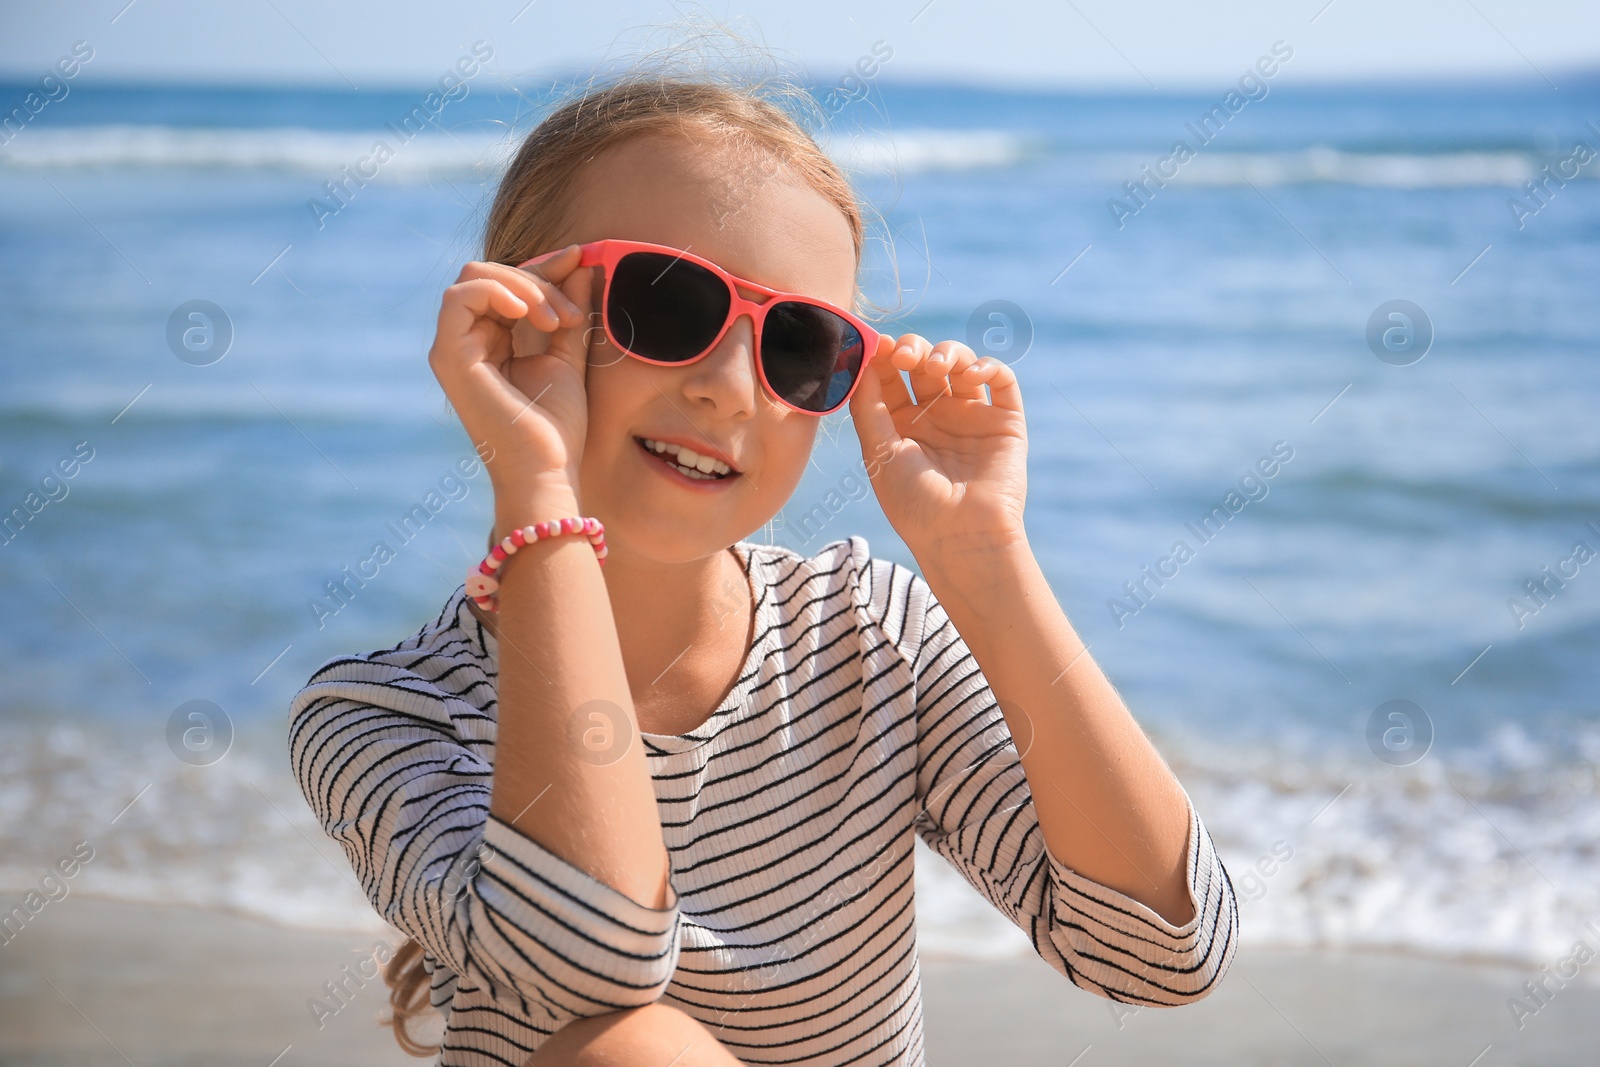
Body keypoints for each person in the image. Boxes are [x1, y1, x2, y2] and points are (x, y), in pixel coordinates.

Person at [288, 63, 1237, 1067]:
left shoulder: (867, 632)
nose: (733, 390)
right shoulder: (388, 713)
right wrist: (538, 486)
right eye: (665, 303)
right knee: (632, 1045)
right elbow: (585, 965)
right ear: (516, 317)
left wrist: (982, 558)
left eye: (800, 343)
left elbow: (1162, 952)